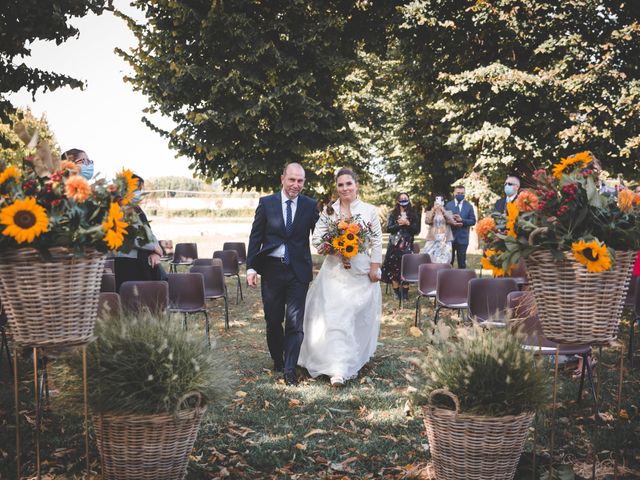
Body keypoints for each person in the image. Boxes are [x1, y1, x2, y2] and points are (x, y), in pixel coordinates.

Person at [298, 168, 383, 387]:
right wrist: (333, 248)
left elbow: (376, 241)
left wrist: (375, 267)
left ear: (357, 185)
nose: (345, 188)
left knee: (355, 320)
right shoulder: (330, 211)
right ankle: (338, 369)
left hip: (361, 273)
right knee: (337, 318)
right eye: (340, 185)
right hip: (335, 274)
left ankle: (352, 357)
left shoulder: (369, 211)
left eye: (349, 184)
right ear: (336, 187)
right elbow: (317, 238)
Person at [246, 163, 319, 386]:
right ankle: (278, 360)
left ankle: (290, 369)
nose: (296, 185)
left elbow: (320, 236)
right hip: (272, 270)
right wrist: (251, 267)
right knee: (273, 320)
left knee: (295, 323)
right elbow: (255, 237)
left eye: (300, 181)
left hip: (298, 271)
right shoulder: (266, 204)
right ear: (282, 179)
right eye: (292, 180)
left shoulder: (310, 205)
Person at [113, 174, 165, 292]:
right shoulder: (115, 209)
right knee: (130, 298)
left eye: (140, 190)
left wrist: (155, 251)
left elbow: (148, 231)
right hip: (126, 261)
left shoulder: (136, 209)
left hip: (140, 260)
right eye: (136, 190)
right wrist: (154, 247)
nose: (139, 194)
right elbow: (129, 235)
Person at [381, 193, 420, 300]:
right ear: (398, 201)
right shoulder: (393, 214)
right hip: (394, 245)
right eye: (401, 199)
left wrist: (407, 223)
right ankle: (396, 292)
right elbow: (388, 229)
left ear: (408, 199)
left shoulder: (414, 214)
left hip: (407, 245)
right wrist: (399, 224)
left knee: (406, 268)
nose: (403, 200)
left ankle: (405, 293)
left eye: (405, 198)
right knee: (393, 270)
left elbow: (416, 230)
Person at [445, 186, 476, 269]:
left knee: (462, 264)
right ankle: (446, 280)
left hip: (463, 238)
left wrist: (462, 220)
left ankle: (462, 281)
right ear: (454, 193)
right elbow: (444, 220)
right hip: (450, 238)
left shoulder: (469, 206)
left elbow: (473, 221)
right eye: (458, 193)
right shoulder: (448, 205)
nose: (460, 195)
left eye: (462, 193)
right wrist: (452, 221)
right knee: (448, 262)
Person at [423, 197, 457, 264]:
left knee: (444, 260)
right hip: (432, 239)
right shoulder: (429, 212)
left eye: (440, 201)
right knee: (430, 259)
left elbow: (451, 221)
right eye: (436, 201)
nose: (438, 203)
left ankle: (442, 274)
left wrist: (443, 211)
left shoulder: (448, 212)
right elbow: (427, 221)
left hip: (445, 239)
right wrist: (433, 210)